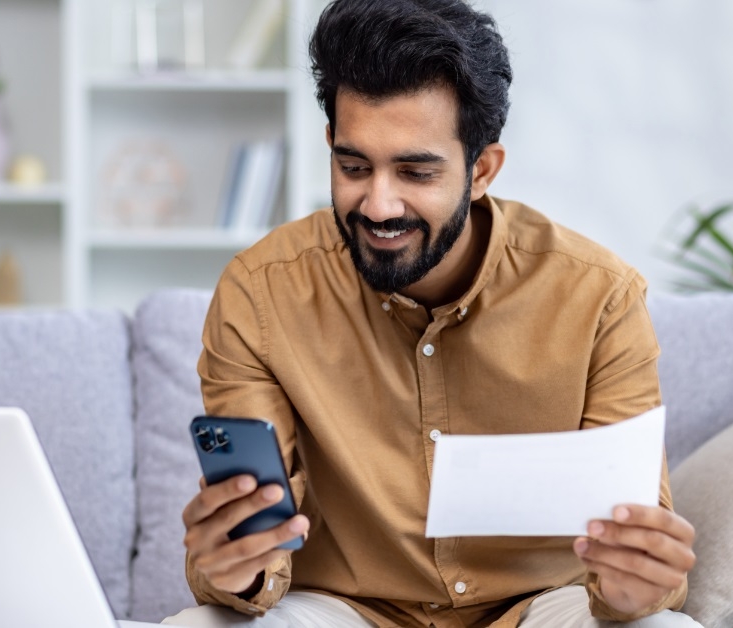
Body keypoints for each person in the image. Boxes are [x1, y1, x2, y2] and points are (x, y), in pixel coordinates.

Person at [164, 1, 700, 626]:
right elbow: (252, 528)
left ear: (481, 170)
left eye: (416, 171)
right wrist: (236, 566)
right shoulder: (261, 293)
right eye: (353, 166)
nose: (379, 204)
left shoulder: (599, 297)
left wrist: (636, 586)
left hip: (541, 609)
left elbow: (637, 540)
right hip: (347, 610)